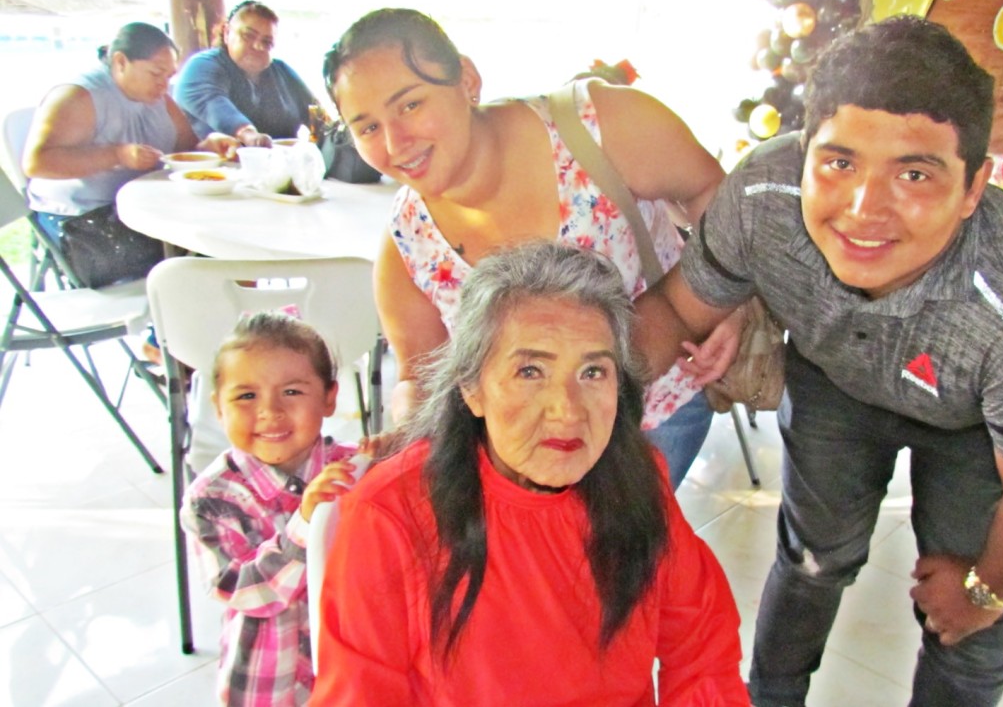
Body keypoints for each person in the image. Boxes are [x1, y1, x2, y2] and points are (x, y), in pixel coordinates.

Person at [634, 16, 1003, 706]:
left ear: (974, 187)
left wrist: (986, 591)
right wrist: (585, 407)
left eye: (913, 172)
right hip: (833, 385)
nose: (862, 208)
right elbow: (676, 311)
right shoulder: (763, 198)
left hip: (977, 430)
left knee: (971, 628)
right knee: (809, 562)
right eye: (838, 161)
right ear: (803, 152)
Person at [311, 242, 748, 705]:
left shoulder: (636, 481)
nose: (567, 412)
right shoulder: (393, 515)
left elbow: (703, 647)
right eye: (531, 371)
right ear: (472, 389)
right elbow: (359, 693)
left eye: (593, 372)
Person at [322, 7, 737, 486]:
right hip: (529, 452)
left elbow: (721, 200)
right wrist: (410, 435)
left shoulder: (597, 126)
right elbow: (421, 378)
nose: (395, 143)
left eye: (410, 105)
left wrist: (733, 301)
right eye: (368, 127)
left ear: (467, 80)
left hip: (656, 413)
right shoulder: (408, 245)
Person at [181, 311, 374, 707]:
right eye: (246, 396)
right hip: (267, 685)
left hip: (353, 675)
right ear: (218, 407)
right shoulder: (211, 498)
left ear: (330, 397)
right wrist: (305, 523)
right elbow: (246, 591)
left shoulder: (358, 471)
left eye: (292, 392)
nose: (270, 411)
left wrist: (390, 459)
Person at [23, 22, 236, 284]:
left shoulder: (159, 97)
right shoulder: (78, 96)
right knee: (205, 247)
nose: (164, 85)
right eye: (156, 74)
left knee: (223, 232)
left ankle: (213, 316)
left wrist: (209, 146)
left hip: (139, 212)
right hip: (83, 224)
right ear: (121, 62)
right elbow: (36, 163)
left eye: (169, 76)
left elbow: (186, 150)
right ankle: (192, 316)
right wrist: (117, 155)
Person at [175, 0, 318, 147]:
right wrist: (248, 135)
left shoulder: (282, 71)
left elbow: (317, 115)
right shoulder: (202, 65)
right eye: (248, 36)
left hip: (282, 165)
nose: (258, 46)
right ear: (226, 32)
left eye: (267, 42)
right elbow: (214, 106)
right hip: (221, 167)